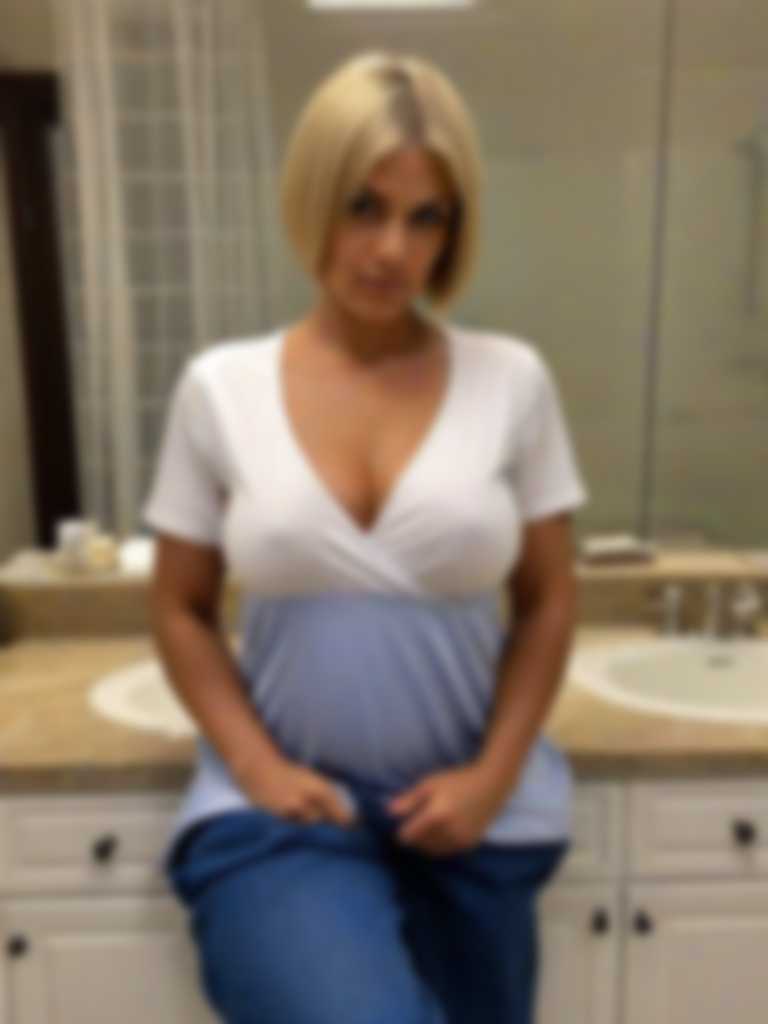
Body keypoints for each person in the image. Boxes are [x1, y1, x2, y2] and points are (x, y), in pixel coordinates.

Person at [142, 49, 590, 1024]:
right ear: (313, 198)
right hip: (286, 819)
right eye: (364, 207)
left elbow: (549, 599)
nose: (392, 248)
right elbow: (178, 608)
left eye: (426, 217)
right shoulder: (221, 389)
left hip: (468, 820)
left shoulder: (511, 380)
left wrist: (491, 778)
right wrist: (256, 766)